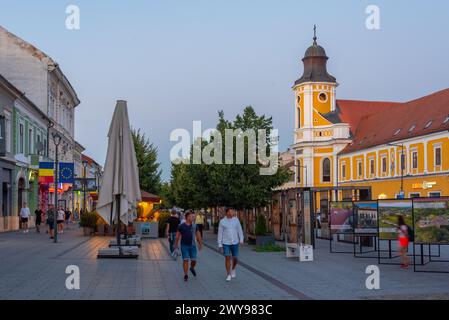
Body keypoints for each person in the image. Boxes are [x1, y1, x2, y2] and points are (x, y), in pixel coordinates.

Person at [174, 210, 202, 282]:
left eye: (193, 216)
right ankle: (186, 274)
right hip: (184, 245)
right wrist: (175, 245)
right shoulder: (181, 226)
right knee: (185, 260)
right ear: (187, 217)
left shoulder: (195, 226)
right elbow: (177, 236)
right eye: (191, 216)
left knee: (194, 260)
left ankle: (192, 268)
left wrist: (200, 244)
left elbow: (198, 235)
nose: (193, 218)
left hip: (193, 246)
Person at [217, 207, 244, 282]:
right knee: (227, 257)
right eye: (231, 211)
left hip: (235, 242)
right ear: (227, 213)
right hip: (226, 243)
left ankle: (233, 269)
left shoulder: (236, 220)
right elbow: (220, 233)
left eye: (233, 211)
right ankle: (228, 274)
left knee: (235, 258)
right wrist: (220, 244)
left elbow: (240, 230)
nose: (233, 213)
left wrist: (241, 239)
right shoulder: (222, 221)